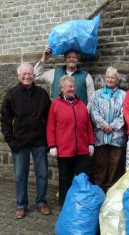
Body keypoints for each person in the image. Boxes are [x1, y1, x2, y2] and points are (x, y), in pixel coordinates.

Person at [0, 63, 51, 219]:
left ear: (34, 76)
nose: (27, 76)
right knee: (20, 175)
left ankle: (41, 202)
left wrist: (49, 140)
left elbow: (49, 119)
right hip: (19, 142)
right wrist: (10, 139)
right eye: (24, 74)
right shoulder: (11, 94)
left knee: (42, 174)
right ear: (19, 76)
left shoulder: (42, 94)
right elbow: (5, 120)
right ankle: (21, 205)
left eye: (30, 73)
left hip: (39, 141)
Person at [46, 75, 94, 206]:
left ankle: (79, 204)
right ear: (61, 88)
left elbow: (88, 125)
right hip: (64, 149)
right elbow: (50, 127)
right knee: (65, 178)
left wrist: (91, 143)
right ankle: (64, 204)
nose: (72, 89)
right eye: (69, 87)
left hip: (82, 149)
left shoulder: (81, 104)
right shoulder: (55, 105)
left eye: (73, 86)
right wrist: (52, 145)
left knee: (81, 178)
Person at [90, 67, 126, 191]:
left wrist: (113, 126)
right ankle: (99, 190)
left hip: (117, 137)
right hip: (100, 136)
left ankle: (111, 191)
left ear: (117, 80)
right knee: (100, 164)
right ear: (105, 78)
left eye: (113, 78)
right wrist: (105, 125)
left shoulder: (123, 95)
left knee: (115, 165)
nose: (110, 80)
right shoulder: (97, 94)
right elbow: (94, 112)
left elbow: (124, 113)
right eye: (108, 77)